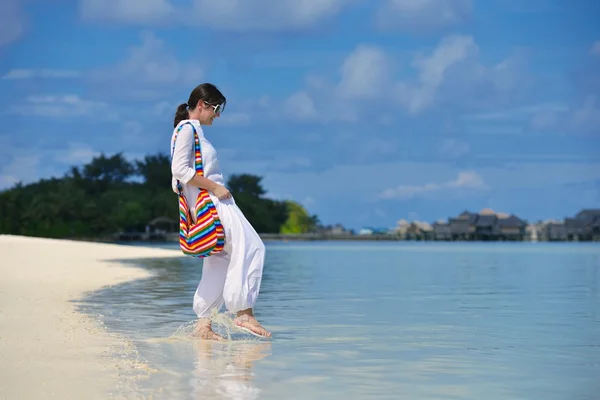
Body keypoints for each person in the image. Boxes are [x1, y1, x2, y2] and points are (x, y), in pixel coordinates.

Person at [170, 83, 271, 340]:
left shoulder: (191, 131)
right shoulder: (187, 130)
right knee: (252, 246)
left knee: (220, 260)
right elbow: (180, 171)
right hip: (214, 203)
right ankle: (243, 313)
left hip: (207, 203)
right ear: (202, 105)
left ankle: (203, 325)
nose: (217, 114)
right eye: (215, 108)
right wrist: (215, 187)